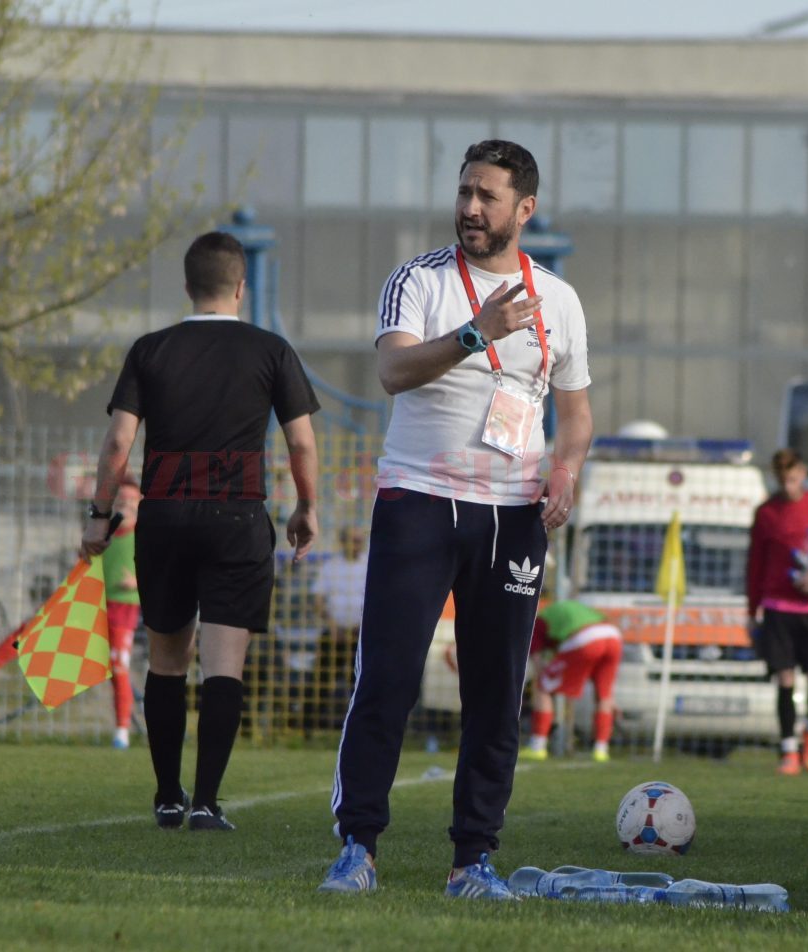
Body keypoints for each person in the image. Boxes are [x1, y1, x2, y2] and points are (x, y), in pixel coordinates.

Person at [318, 140, 592, 898]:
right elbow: (393, 371)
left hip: (513, 518)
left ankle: (473, 860)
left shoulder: (561, 300)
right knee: (390, 679)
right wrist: (478, 330)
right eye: (465, 191)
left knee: (497, 690)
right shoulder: (420, 280)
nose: (471, 207)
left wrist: (565, 467)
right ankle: (358, 849)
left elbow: (576, 413)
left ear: (524, 210)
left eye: (488, 196)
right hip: (418, 500)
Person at [80, 230, 320, 831]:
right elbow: (300, 441)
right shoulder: (272, 350)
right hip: (237, 515)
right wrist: (306, 506)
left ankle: (167, 795)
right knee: (223, 666)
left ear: (188, 286)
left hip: (163, 513)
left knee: (165, 660)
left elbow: (117, 443)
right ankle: (208, 802)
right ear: (241, 287)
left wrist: (99, 515)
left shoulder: (150, 349)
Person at [0, 478, 145, 750]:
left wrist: (137, 582)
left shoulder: (147, 533)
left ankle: (121, 733)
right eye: (122, 499)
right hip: (90, 602)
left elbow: (164, 571)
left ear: (141, 502)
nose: (127, 504)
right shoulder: (106, 530)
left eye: (132, 500)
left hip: (123, 608)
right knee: (34, 627)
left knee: (118, 667)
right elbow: (87, 558)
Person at [746, 448, 808, 775]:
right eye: (783, 480)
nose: (789, 486)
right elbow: (755, 563)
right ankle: (788, 750)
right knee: (785, 679)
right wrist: (752, 610)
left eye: (793, 478)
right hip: (778, 608)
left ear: (803, 474)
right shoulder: (766, 513)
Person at [518, 599, 621, 763]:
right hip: (613, 636)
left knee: (542, 687)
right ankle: (601, 750)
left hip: (586, 638)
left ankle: (538, 746)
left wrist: (544, 677)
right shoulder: (573, 608)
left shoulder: (538, 621)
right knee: (604, 695)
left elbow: (537, 660)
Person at [308, 525, 368, 728]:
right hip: (334, 633)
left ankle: (358, 726)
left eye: (360, 541)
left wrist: (361, 626)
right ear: (343, 542)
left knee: (360, 682)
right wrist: (333, 626)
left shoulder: (370, 564)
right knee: (322, 680)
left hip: (361, 634)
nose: (358, 545)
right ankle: (311, 724)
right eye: (354, 540)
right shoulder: (330, 566)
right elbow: (317, 600)